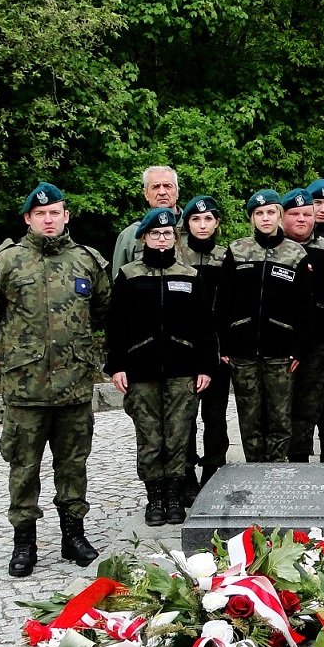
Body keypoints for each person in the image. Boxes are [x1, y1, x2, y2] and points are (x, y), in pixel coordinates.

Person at [0, 182, 112, 577]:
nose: (48, 219)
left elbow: (102, 310)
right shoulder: (7, 262)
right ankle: (25, 543)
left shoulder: (87, 261)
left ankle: (74, 536)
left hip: (73, 385)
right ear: (28, 219)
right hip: (25, 387)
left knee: (73, 465)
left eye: (55, 212)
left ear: (66, 216)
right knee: (23, 466)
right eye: (40, 214)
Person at [105, 208, 218, 526]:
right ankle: (155, 497)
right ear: (144, 237)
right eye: (155, 233)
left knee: (179, 435)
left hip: (183, 370)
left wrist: (205, 366)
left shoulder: (190, 275)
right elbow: (116, 326)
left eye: (167, 234)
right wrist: (116, 365)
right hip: (141, 372)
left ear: (175, 238)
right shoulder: (129, 275)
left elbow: (204, 326)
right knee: (151, 437)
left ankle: (174, 496)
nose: (161, 239)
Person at [217, 189, 314, 462]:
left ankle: (276, 471)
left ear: (280, 216)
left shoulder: (295, 254)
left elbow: (305, 307)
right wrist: (224, 343)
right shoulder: (237, 251)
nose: (265, 218)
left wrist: (299, 348)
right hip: (243, 350)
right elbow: (223, 301)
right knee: (249, 418)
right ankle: (253, 470)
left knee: (280, 418)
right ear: (252, 218)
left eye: (271, 212)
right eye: (259, 213)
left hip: (281, 351)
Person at [282, 188, 324, 462]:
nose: (302, 219)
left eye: (307, 214)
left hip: (318, 340)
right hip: (281, 341)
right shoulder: (275, 251)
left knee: (315, 402)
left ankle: (309, 456)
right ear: (283, 218)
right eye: (295, 214)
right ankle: (288, 457)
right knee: (283, 407)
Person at [177, 195, 230, 495]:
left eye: (208, 218)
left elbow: (232, 306)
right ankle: (185, 473)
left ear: (217, 223)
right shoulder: (176, 257)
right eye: (196, 219)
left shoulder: (227, 257)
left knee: (215, 415)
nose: (202, 224)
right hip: (185, 349)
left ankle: (214, 469)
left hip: (218, 350)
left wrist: (224, 347)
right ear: (187, 224)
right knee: (186, 416)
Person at [112, 166, 181, 278]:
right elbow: (119, 282)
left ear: (177, 192)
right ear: (146, 194)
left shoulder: (195, 230)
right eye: (155, 187)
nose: (162, 192)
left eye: (168, 186)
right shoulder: (130, 235)